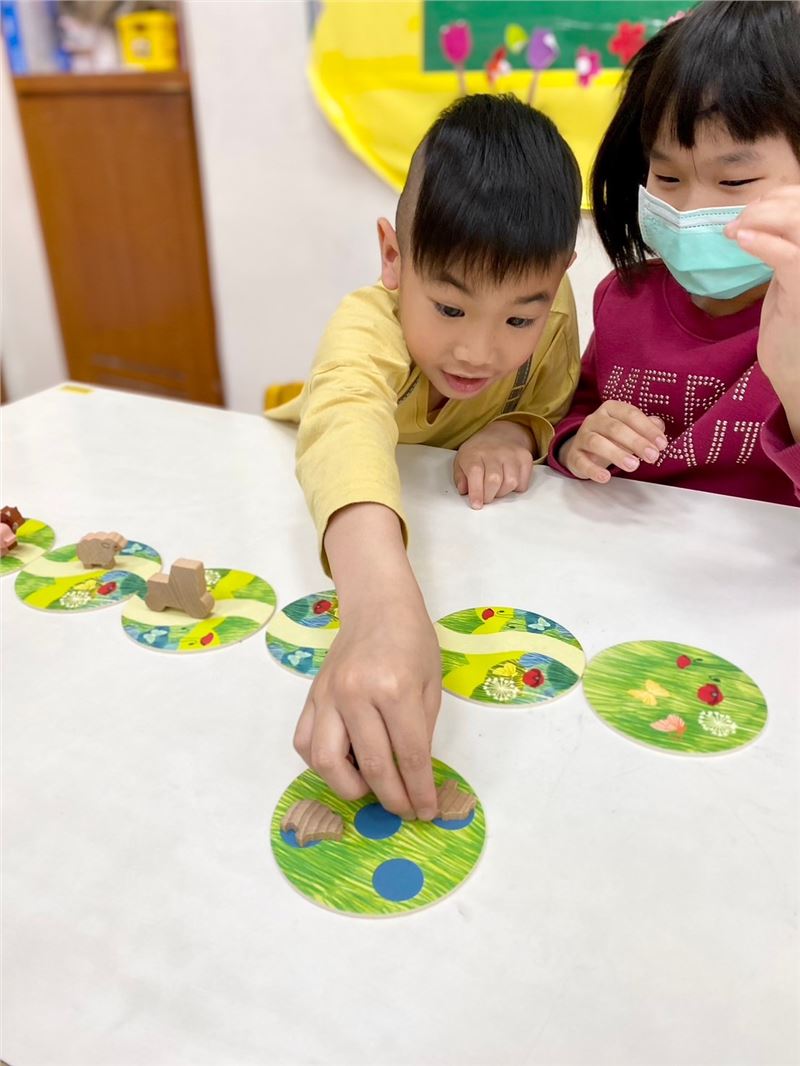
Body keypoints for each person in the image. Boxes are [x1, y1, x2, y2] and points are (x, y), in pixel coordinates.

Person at [268, 93, 582, 818]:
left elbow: (552, 405)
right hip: (314, 494)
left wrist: (515, 432)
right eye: (449, 308)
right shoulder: (367, 322)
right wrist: (380, 605)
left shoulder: (558, 314)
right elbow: (343, 417)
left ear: (559, 276)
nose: (478, 351)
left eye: (519, 317)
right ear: (394, 258)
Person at [549, 0, 800, 506]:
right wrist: (579, 441)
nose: (689, 210)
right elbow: (576, 409)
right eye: (667, 176)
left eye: (734, 181)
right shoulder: (624, 299)